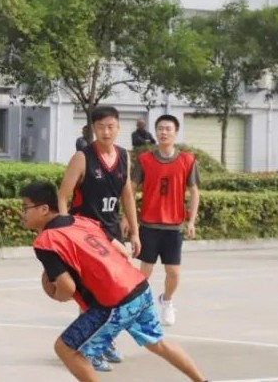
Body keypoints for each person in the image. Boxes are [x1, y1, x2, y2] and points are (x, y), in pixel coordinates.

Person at [21, 181, 208, 382]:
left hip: (114, 301)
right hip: (138, 286)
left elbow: (67, 287)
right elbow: (120, 250)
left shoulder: (46, 241)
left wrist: (56, 294)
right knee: (157, 343)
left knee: (66, 348)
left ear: (44, 209)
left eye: (25, 208)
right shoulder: (81, 221)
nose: (22, 213)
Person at [57, 105, 141, 372]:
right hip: (86, 234)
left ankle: (104, 341)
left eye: (111, 126)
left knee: (116, 292)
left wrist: (135, 231)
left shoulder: (124, 156)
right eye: (101, 126)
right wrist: (65, 229)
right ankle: (88, 347)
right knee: (92, 295)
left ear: (118, 128)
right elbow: (63, 196)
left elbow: (127, 196)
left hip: (112, 233)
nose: (106, 131)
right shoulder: (82, 158)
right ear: (93, 128)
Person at [132, 115, 200, 326]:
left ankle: (167, 301)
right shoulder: (144, 160)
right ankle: (139, 306)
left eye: (168, 129)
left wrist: (191, 221)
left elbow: (194, 192)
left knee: (173, 272)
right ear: (155, 132)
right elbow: (130, 190)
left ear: (175, 133)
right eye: (160, 128)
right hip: (149, 224)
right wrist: (128, 218)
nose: (163, 132)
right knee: (145, 270)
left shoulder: (187, 160)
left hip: (174, 226)